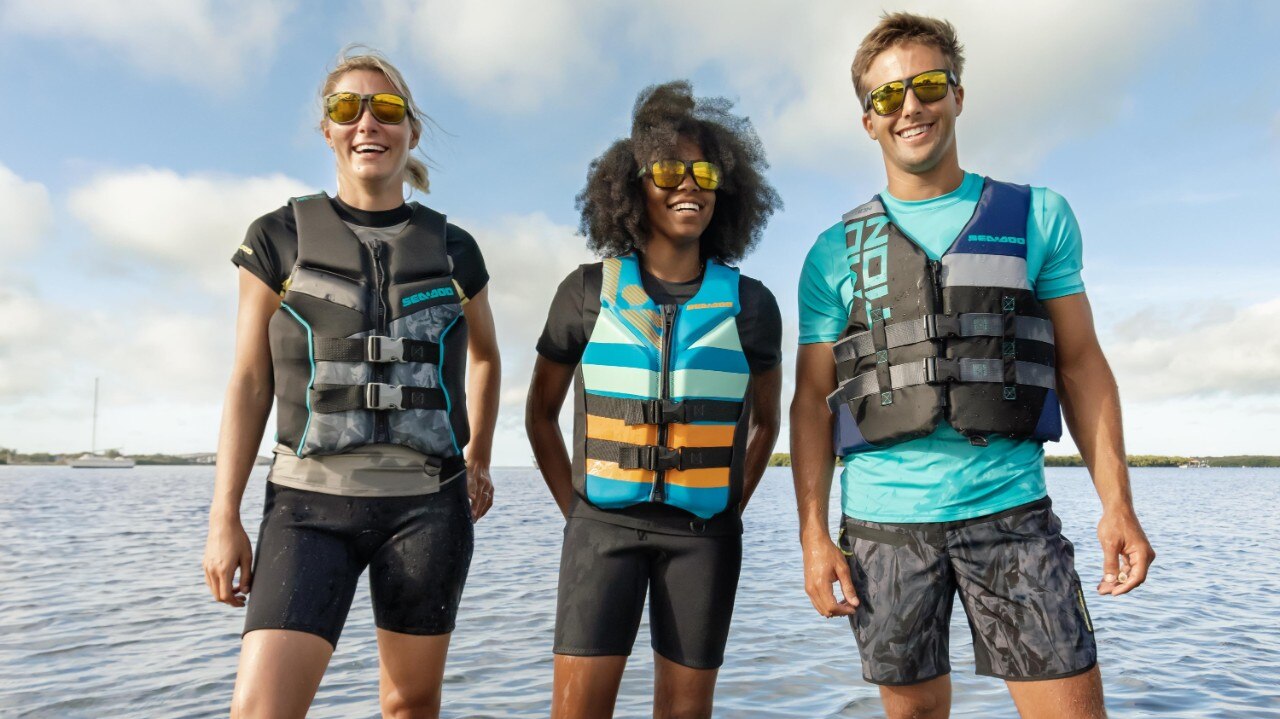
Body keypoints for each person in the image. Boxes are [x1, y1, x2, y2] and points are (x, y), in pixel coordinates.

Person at [791, 13, 1155, 719]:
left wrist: (1118, 503)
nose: (910, 107)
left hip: (1012, 516)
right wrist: (811, 535)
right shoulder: (831, 253)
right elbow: (811, 401)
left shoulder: (1038, 216)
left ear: (959, 94)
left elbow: (1082, 365)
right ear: (867, 121)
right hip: (883, 530)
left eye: (928, 85)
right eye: (888, 97)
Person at [201, 48, 500, 719]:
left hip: (429, 507)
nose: (368, 122)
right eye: (347, 108)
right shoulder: (275, 238)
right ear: (328, 130)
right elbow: (249, 380)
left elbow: (485, 356)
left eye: (387, 109)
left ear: (410, 131)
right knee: (260, 709)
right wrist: (224, 515)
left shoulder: (456, 250)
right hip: (307, 509)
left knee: (409, 704)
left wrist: (476, 454)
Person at [526, 81, 783, 719]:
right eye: (668, 169)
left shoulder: (752, 306)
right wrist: (580, 511)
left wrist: (725, 505)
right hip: (600, 530)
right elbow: (539, 414)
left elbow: (767, 422)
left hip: (705, 537)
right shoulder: (586, 293)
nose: (687, 185)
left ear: (725, 189)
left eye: (704, 172)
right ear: (634, 185)